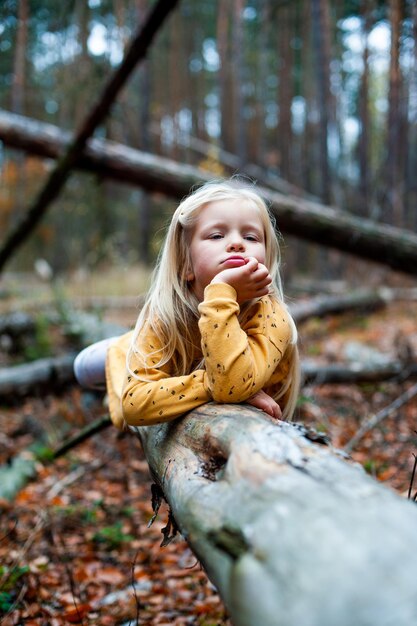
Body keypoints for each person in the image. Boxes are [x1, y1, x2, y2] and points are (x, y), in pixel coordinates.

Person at [75, 178, 300, 430]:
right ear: (186, 265)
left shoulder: (273, 317)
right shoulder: (166, 316)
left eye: (250, 237)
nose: (237, 244)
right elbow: (134, 405)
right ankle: (121, 350)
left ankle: (130, 346)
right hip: (164, 351)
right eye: (216, 235)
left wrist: (221, 293)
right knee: (84, 366)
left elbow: (232, 384)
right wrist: (209, 382)